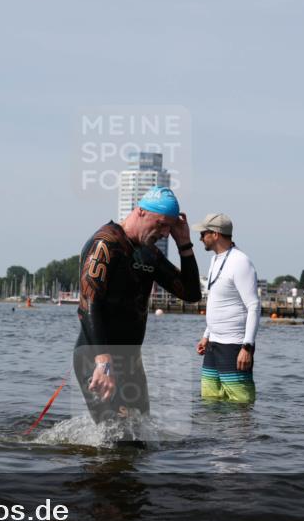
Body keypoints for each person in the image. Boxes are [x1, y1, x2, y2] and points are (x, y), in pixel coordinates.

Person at [74, 186, 201, 441]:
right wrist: (103, 361)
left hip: (131, 362)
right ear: (141, 212)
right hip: (97, 358)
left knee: (138, 440)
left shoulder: (148, 254)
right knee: (118, 441)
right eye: (161, 224)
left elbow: (191, 293)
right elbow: (89, 302)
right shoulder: (106, 243)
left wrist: (184, 244)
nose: (164, 233)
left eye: (169, 228)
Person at [193, 213, 260, 404]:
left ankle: (243, 436)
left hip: (234, 345)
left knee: (240, 404)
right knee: (210, 401)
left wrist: (247, 346)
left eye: (203, 233)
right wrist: (207, 335)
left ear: (215, 234)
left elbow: (254, 306)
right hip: (213, 344)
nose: (200, 238)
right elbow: (218, 300)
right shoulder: (215, 260)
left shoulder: (240, 262)